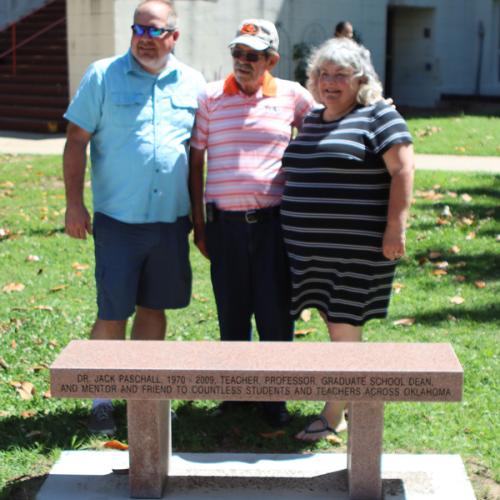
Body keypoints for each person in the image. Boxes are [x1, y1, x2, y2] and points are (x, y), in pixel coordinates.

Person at [62, 0, 205, 435]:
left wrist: (199, 217)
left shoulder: (194, 84)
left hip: (169, 222)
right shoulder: (103, 75)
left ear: (173, 37)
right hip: (118, 221)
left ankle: (144, 394)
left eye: (155, 31)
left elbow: (198, 158)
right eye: (138, 30)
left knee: (154, 308)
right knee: (112, 311)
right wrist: (73, 203)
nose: (145, 39)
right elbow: (75, 140)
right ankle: (102, 397)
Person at [280, 37, 414, 441]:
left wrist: (396, 227)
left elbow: (403, 171)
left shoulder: (378, 117)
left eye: (341, 74)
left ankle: (334, 412)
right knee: (335, 322)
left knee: (343, 323)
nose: (329, 82)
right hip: (311, 251)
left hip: (357, 249)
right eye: (323, 74)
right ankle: (353, 394)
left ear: (360, 80)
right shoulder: (314, 119)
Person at [189, 19, 315, 428]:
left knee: (275, 310)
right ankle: (237, 391)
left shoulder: (294, 97)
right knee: (232, 308)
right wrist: (200, 223)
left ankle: (275, 395)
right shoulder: (210, 97)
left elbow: (328, 126)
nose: (242, 61)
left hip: (274, 224)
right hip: (223, 224)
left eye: (252, 55)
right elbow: (196, 162)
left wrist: (376, 105)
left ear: (271, 60)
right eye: (237, 53)